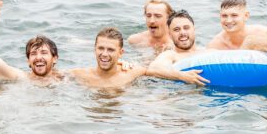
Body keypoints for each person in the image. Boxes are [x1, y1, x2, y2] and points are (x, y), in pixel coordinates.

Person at [69, 26, 207, 89]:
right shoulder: (79, 74)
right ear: (94, 49)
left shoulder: (131, 72)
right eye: (101, 48)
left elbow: (154, 71)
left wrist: (182, 76)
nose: (104, 54)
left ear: (120, 53)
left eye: (110, 49)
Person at [0, 0, 63, 83]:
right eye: (33, 54)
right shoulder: (19, 78)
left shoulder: (67, 78)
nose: (38, 57)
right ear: (28, 61)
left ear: (55, 58)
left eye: (44, 52)